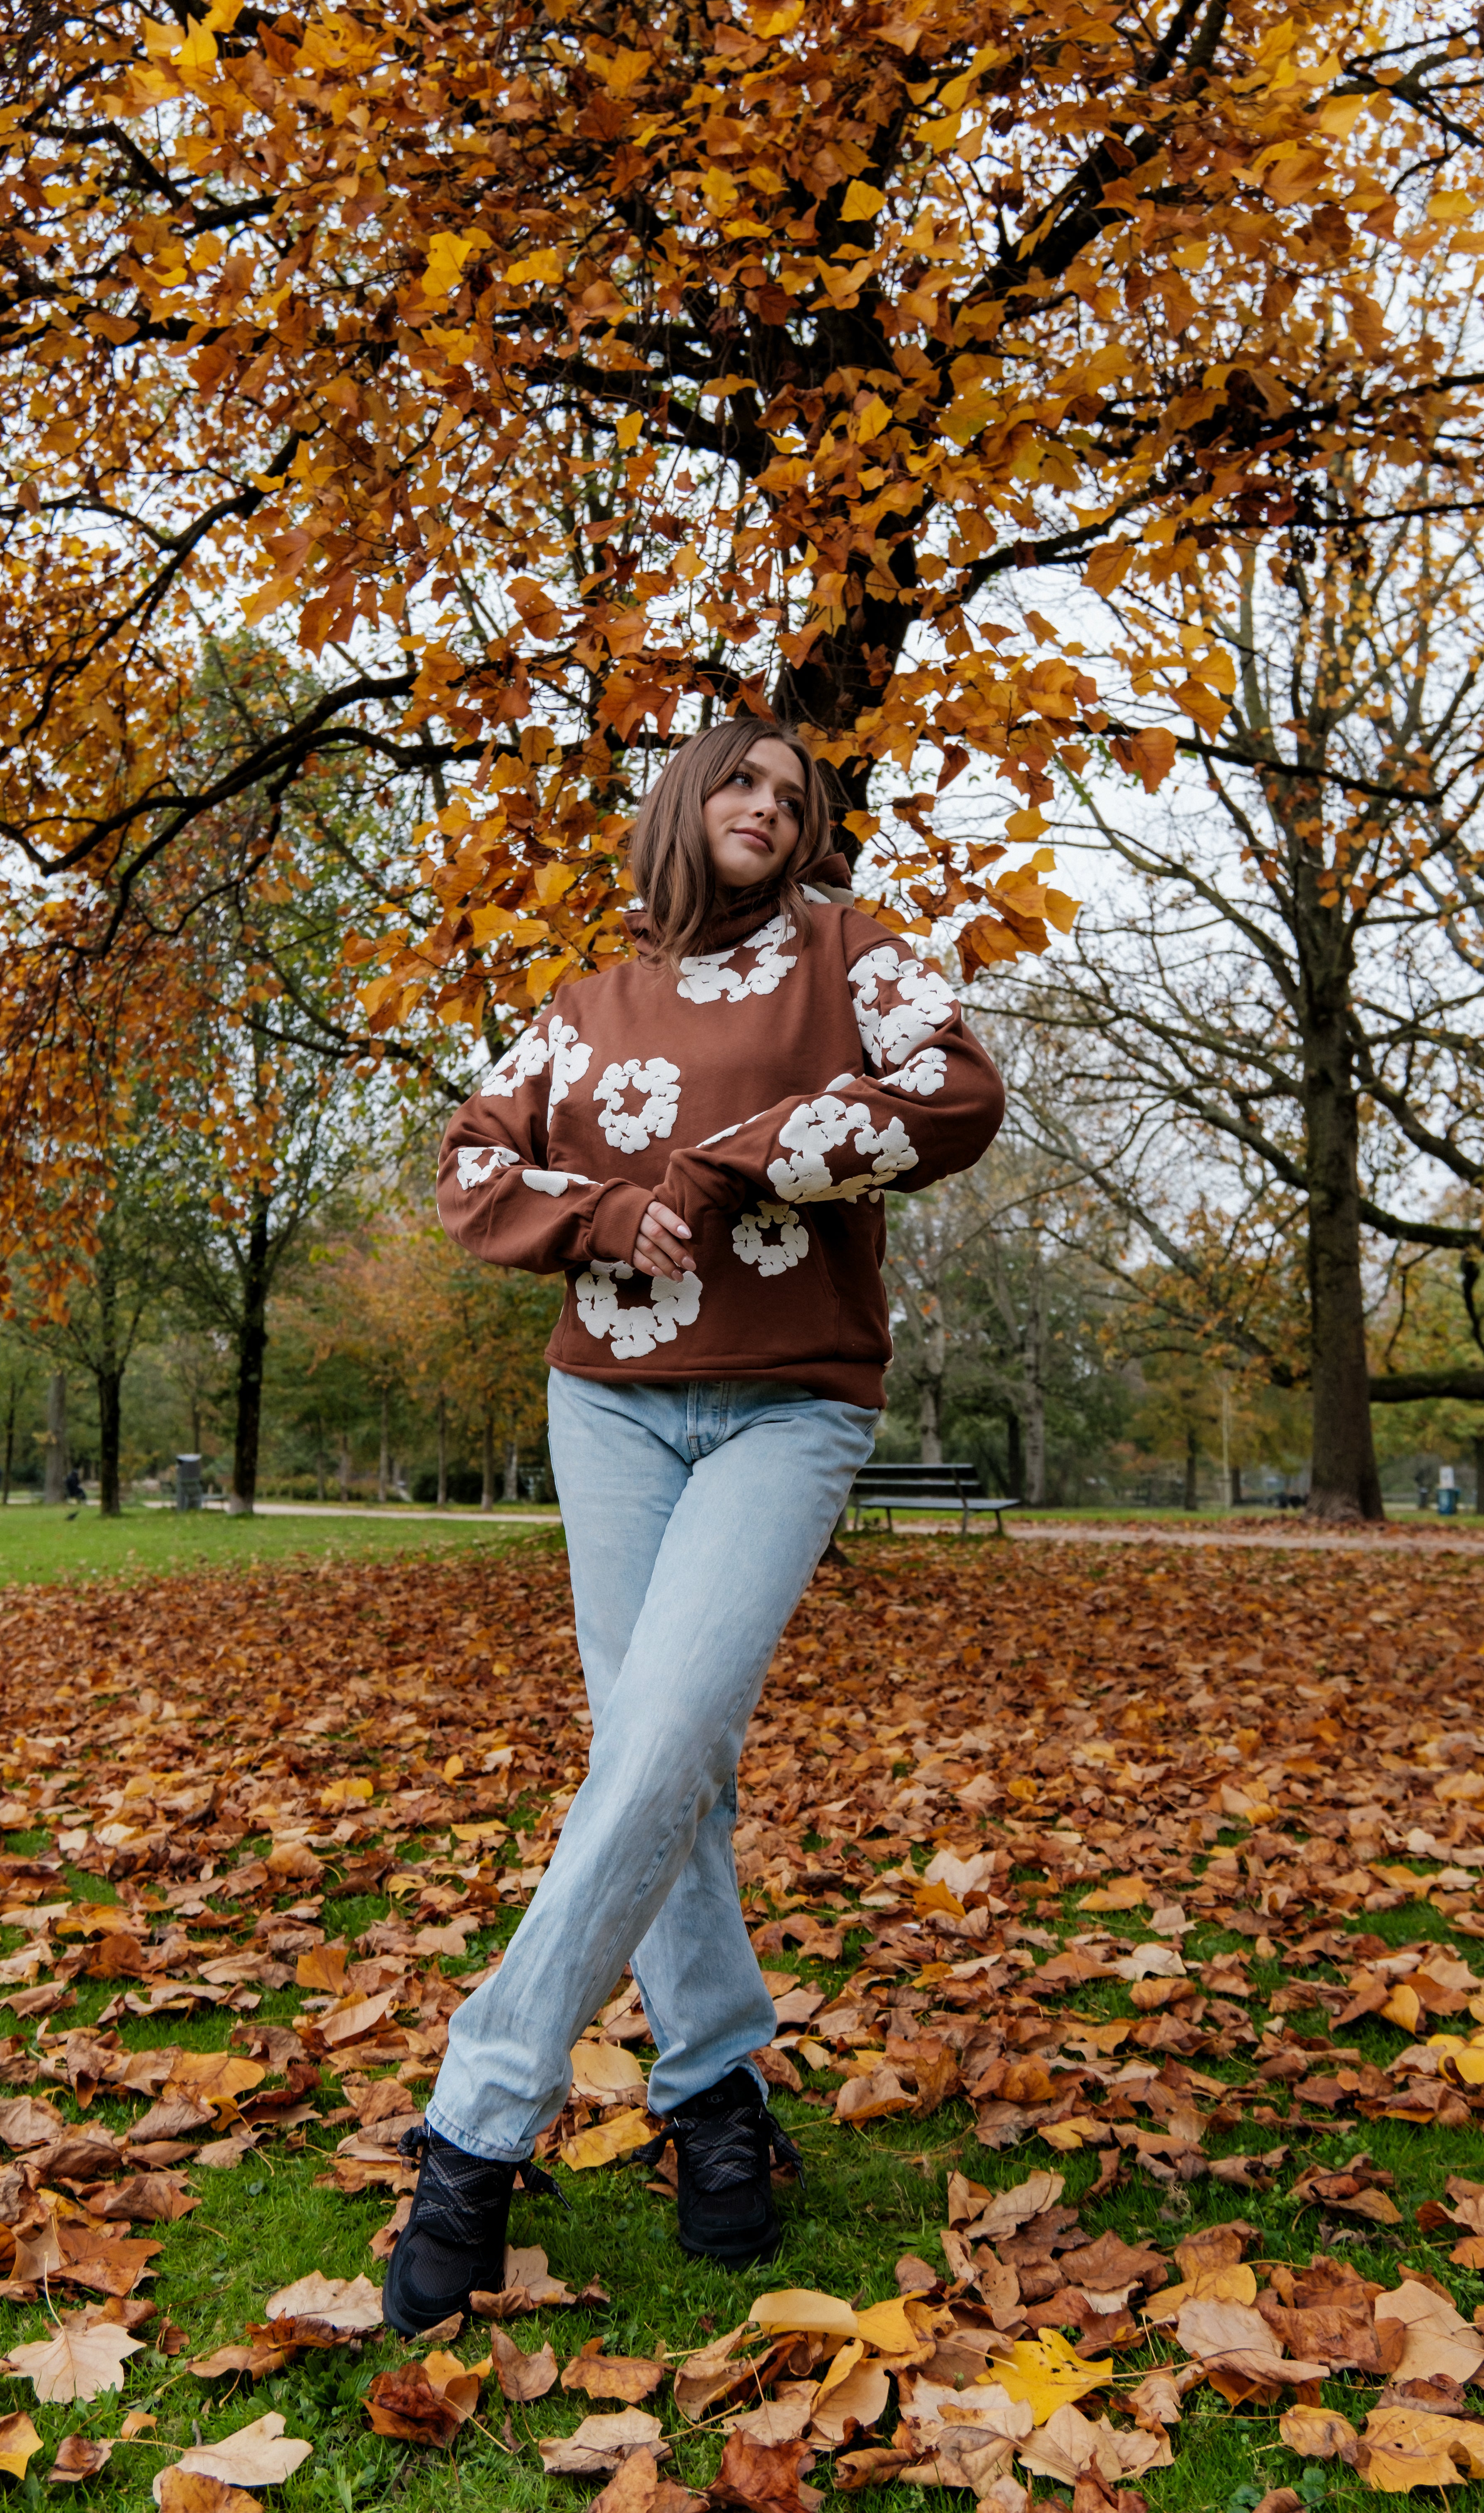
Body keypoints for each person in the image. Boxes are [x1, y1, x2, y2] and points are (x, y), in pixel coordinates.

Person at [386, 717, 1005, 2337]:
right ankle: (715, 2083)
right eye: (740, 781)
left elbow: (953, 1087)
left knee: (659, 1737)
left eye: (793, 798)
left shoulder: (850, 953)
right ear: (683, 804)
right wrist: (597, 1209)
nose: (769, 808)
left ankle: (477, 2121)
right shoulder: (583, 1011)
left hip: (790, 1403)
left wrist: (733, 1165)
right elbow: (469, 1166)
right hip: (606, 1404)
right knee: (662, 1765)